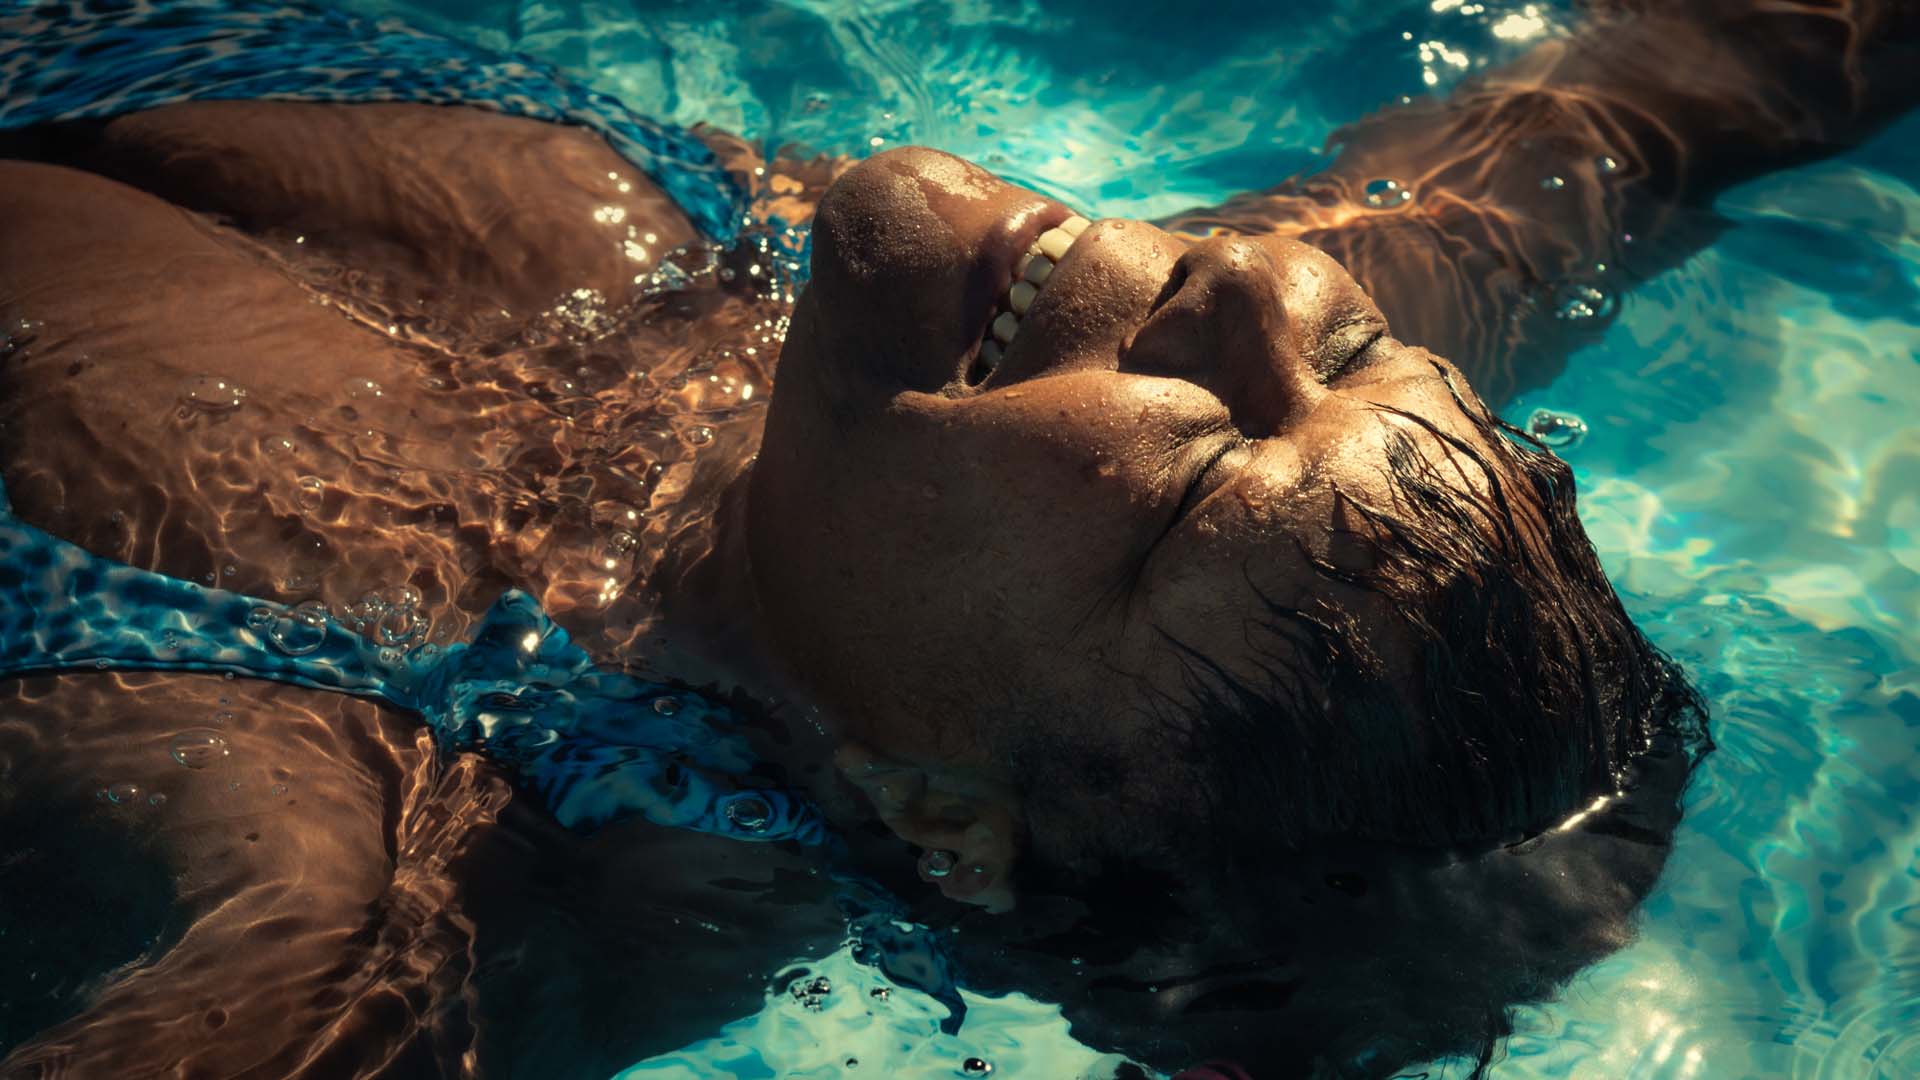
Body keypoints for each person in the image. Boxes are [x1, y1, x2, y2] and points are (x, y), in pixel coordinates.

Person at [0, 0, 1914, 1076]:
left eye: (1197, 489)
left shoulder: (377, 890)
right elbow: (1692, 85)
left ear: (942, 819)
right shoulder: (1031, 358)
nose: (1259, 283)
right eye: (1358, 353)